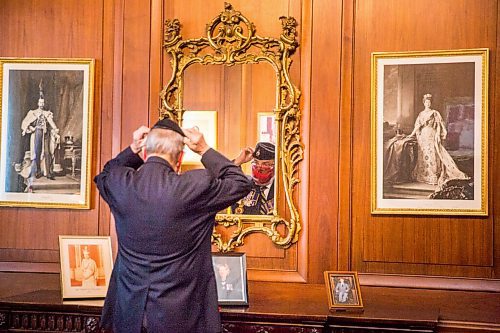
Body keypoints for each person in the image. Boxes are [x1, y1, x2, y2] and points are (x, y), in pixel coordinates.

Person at [94, 118, 252, 333]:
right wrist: (204, 149)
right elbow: (240, 183)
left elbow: (106, 173)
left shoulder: (120, 183)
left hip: (128, 313)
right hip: (181, 317)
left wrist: (132, 148)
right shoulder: (194, 186)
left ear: (145, 154)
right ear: (180, 158)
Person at [406, 94, 469, 188]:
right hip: (423, 136)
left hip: (432, 134)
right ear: (424, 103)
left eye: (429, 102)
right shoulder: (421, 114)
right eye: (426, 102)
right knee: (423, 154)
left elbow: (440, 124)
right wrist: (411, 134)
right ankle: (423, 176)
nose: (428, 104)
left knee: (432, 154)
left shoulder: (435, 113)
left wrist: (439, 134)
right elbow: (417, 126)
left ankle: (433, 176)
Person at [20, 87, 60, 186]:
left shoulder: (47, 113)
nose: (41, 104)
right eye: (40, 102)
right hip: (37, 133)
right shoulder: (33, 112)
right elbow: (25, 123)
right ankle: (37, 171)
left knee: (47, 152)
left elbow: (51, 123)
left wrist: (56, 130)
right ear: (38, 103)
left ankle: (49, 173)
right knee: (37, 152)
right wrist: (30, 128)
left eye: (43, 102)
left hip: (45, 134)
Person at [232, 142, 275, 215]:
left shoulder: (281, 190)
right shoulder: (244, 186)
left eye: (266, 164)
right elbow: (223, 181)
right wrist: (237, 162)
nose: (259, 167)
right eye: (256, 162)